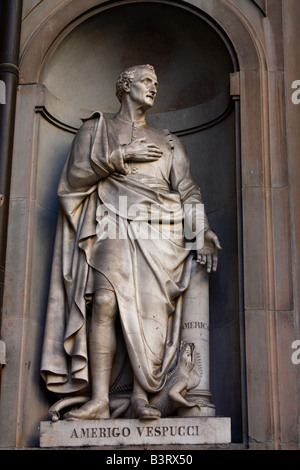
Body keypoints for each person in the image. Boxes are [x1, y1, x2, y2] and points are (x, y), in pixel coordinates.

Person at [41, 64, 221, 420]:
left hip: (161, 229)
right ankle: (99, 400)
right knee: (104, 300)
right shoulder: (96, 129)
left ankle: (143, 397)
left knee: (149, 312)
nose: (154, 88)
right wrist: (122, 157)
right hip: (112, 218)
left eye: (157, 83)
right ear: (125, 86)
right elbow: (75, 177)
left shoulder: (168, 141)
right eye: (146, 81)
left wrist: (200, 230)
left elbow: (188, 190)